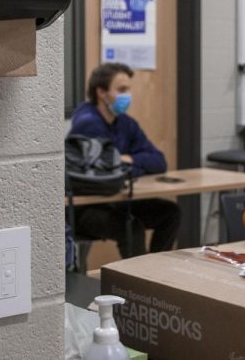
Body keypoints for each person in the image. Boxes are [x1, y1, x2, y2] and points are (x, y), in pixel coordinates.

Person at [68, 62, 180, 257]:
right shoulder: (88, 123)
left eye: (128, 89)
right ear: (101, 92)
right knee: (132, 227)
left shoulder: (125, 123)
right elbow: (108, 173)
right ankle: (139, 283)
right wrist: (129, 165)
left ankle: (155, 271)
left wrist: (128, 160)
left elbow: (159, 162)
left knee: (170, 212)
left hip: (118, 201)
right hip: (87, 208)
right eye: (121, 89)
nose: (127, 95)